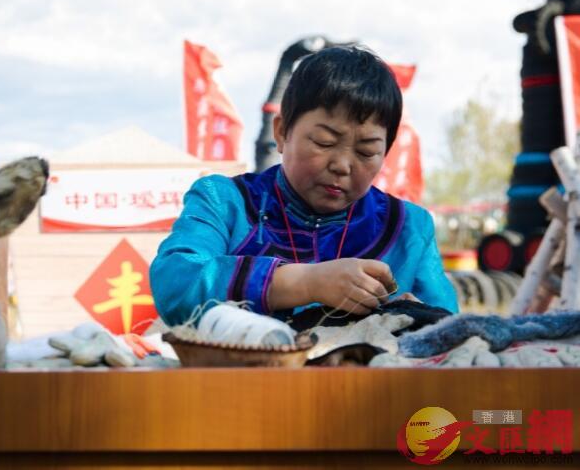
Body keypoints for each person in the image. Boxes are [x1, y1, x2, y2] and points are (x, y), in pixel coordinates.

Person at [150, 45, 459, 328]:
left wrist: (422, 318)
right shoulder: (225, 202)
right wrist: (306, 283)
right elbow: (175, 283)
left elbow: (449, 328)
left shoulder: (408, 228)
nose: (342, 164)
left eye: (366, 152)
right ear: (282, 132)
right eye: (325, 142)